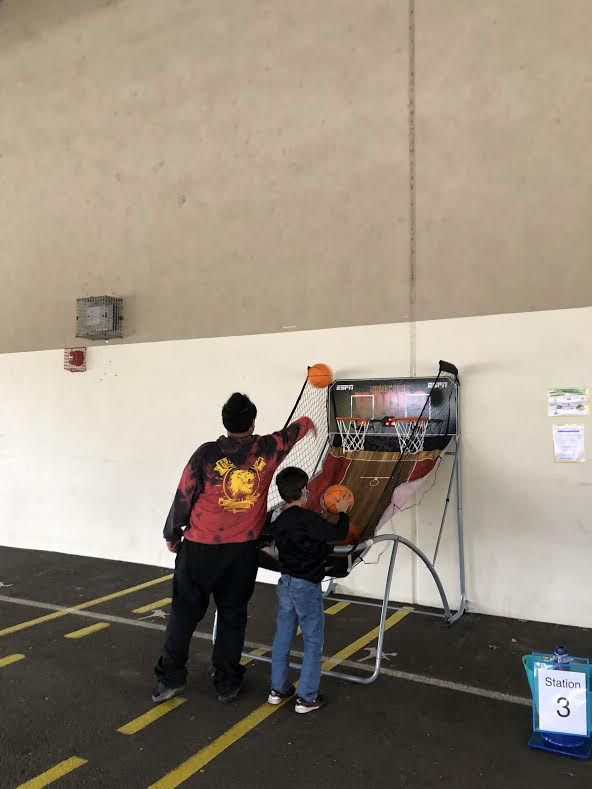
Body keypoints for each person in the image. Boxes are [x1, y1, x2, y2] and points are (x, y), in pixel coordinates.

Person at [152, 393, 315, 704]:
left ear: (225, 422)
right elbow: (292, 433)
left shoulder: (206, 454)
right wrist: (307, 422)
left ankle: (170, 679)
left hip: (199, 549)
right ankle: (226, 682)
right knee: (232, 615)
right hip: (241, 552)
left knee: (184, 615)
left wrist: (172, 533)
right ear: (252, 423)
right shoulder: (267, 449)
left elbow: (184, 494)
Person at [267, 466, 349, 713]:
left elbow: (300, 535)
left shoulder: (279, 519)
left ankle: (278, 689)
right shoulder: (309, 520)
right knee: (313, 641)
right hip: (306, 588)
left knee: (283, 637)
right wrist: (342, 512)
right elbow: (339, 533)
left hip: (286, 584)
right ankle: (306, 697)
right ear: (304, 490)